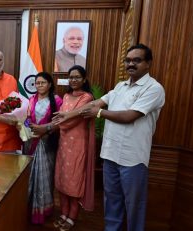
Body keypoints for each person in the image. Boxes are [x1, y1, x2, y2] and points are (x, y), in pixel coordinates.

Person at [54, 44, 165, 231]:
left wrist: (99, 113)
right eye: (128, 60)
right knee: (112, 201)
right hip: (110, 155)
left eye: (137, 60)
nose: (131, 63)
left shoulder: (154, 88)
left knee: (134, 206)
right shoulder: (120, 87)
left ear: (148, 63)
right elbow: (96, 103)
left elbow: (129, 116)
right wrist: (69, 115)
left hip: (133, 159)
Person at [53, 65, 95, 231]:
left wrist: (50, 127)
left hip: (78, 145)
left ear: (84, 79)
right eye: (71, 77)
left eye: (77, 77)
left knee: (74, 181)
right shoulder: (66, 95)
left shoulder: (87, 98)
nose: (74, 80)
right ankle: (63, 213)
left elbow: (72, 120)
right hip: (63, 144)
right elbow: (61, 118)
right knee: (62, 178)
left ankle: (72, 216)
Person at [25, 72, 63, 224]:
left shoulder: (57, 100)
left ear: (49, 84)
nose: (39, 85)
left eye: (42, 82)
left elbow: (60, 122)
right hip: (31, 142)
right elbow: (26, 119)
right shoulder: (31, 99)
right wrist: (31, 126)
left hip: (47, 144)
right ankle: (29, 209)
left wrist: (44, 129)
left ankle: (42, 210)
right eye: (37, 83)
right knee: (29, 177)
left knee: (45, 177)